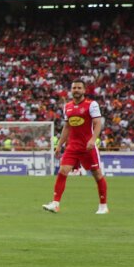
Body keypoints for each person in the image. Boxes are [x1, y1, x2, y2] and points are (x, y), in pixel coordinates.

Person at [43, 81, 108, 215]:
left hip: (87, 147)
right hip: (72, 146)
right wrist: (59, 145)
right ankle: (55, 204)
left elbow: (97, 123)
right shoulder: (67, 106)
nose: (76, 90)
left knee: (97, 174)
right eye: (74, 88)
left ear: (84, 90)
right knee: (63, 170)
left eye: (79, 88)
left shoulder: (91, 105)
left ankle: (103, 206)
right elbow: (67, 127)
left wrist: (93, 140)